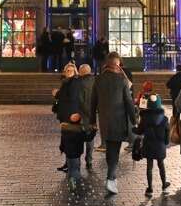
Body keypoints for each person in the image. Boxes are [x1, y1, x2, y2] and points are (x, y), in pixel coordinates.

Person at [90, 51, 136, 195]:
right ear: (117, 64)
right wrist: (134, 120)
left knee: (110, 148)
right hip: (119, 120)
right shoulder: (121, 79)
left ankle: (112, 178)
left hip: (104, 121)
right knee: (114, 151)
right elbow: (129, 102)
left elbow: (92, 102)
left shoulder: (98, 79)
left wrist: (92, 120)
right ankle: (111, 179)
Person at [54, 63, 84, 191]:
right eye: (67, 70)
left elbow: (70, 98)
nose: (69, 72)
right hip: (66, 118)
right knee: (68, 144)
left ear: (75, 71)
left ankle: (75, 175)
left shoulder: (74, 83)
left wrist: (58, 94)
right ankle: (71, 170)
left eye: (71, 70)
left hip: (73, 119)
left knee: (73, 147)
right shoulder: (66, 82)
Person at [135, 92, 169, 196]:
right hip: (160, 145)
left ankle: (150, 189)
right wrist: (166, 143)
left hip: (148, 144)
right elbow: (167, 133)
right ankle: (164, 185)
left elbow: (139, 131)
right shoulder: (164, 119)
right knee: (161, 165)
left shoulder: (144, 118)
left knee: (149, 167)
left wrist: (133, 129)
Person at [77, 63, 95, 169]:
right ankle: (89, 160)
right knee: (90, 138)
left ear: (81, 72)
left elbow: (80, 100)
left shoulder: (79, 83)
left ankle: (77, 160)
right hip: (92, 115)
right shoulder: (96, 81)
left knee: (79, 137)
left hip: (81, 114)